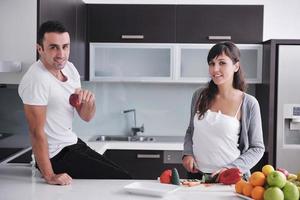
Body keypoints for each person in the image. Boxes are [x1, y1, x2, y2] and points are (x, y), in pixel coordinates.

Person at [18, 20, 131, 185]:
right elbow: (36, 133)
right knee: (121, 181)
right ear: (40, 49)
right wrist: (49, 175)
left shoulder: (69, 69)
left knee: (124, 176)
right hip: (55, 155)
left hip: (72, 143)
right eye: (53, 47)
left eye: (65, 46)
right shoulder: (36, 79)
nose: (61, 54)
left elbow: (85, 116)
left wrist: (89, 102)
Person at [182, 41, 265, 180]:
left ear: (236, 66)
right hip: (196, 176)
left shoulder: (249, 103)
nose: (215, 69)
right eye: (211, 64)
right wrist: (188, 153)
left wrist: (230, 168)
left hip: (231, 178)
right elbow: (191, 130)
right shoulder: (199, 95)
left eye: (222, 63)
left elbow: (257, 148)